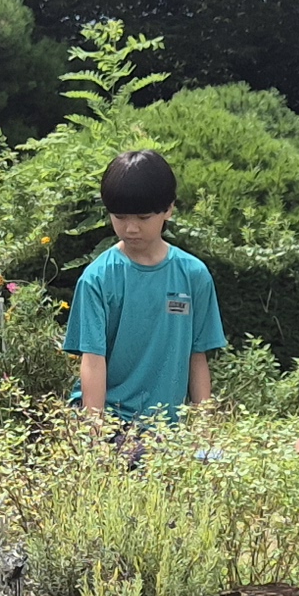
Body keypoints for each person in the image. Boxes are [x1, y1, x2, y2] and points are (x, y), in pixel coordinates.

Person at [65, 149, 223, 425]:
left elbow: (197, 357)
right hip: (110, 421)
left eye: (143, 217)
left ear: (169, 209)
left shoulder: (193, 275)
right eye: (120, 217)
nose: (131, 228)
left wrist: (204, 430)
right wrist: (94, 434)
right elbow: (92, 360)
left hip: (167, 429)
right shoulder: (97, 279)